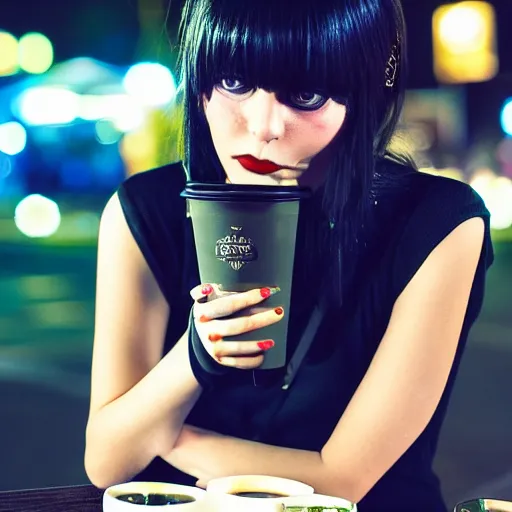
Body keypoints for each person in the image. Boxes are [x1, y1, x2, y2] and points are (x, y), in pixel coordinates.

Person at [84, 0, 494, 511]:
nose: (263, 126)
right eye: (234, 81)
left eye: (306, 94)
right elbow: (104, 460)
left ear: (365, 93)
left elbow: (341, 482)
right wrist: (195, 355)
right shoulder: (144, 210)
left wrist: (159, 436)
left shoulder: (437, 221)